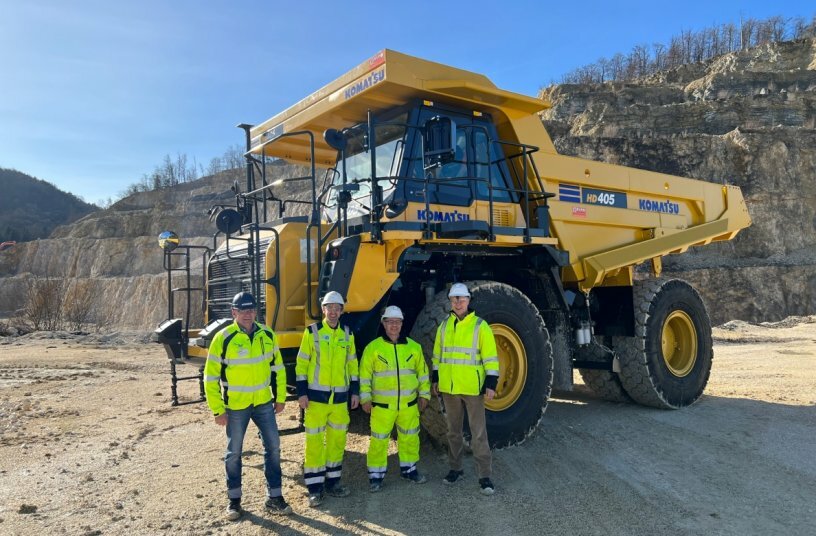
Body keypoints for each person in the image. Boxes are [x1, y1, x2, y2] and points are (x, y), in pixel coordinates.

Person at [204, 291, 291, 521]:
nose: (248, 314)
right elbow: (210, 377)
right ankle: (234, 502)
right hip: (236, 407)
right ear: (234, 312)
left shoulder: (267, 334)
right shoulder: (223, 338)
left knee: (273, 448)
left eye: (251, 310)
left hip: (263, 403)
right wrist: (218, 409)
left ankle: (274, 498)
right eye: (242, 310)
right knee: (234, 454)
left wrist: (280, 397)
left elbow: (278, 369)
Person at [431, 283, 499, 495]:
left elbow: (490, 357)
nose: (458, 303)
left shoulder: (480, 326)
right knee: (453, 432)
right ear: (450, 302)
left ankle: (485, 476)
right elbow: (437, 356)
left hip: (472, 389)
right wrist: (436, 378)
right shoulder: (444, 327)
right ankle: (455, 469)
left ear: (469, 301)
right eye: (454, 299)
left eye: (461, 299)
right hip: (450, 388)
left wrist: (491, 383)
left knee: (478, 433)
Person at [296, 291, 360, 507]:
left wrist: (355, 392)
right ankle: (315, 488)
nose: (333, 312)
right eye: (329, 307)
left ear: (342, 311)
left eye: (337, 308)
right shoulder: (312, 332)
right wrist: (302, 392)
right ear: (323, 309)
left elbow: (353, 365)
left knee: (337, 442)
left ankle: (333, 483)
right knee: (314, 443)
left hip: (340, 401)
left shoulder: (347, 334)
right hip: (316, 401)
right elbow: (302, 364)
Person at [360, 305, 431, 492]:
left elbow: (423, 374)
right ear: (383, 324)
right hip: (382, 406)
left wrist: (424, 395)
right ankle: (376, 476)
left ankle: (409, 469)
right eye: (390, 322)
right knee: (379, 440)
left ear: (401, 324)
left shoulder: (414, 348)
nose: (393, 326)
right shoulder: (373, 348)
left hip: (408, 405)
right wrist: (365, 398)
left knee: (410, 438)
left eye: (397, 322)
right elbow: (365, 376)